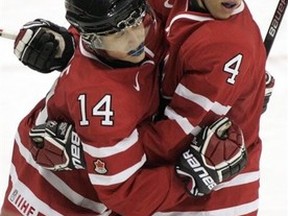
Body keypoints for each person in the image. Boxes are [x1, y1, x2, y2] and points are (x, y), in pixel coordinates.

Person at [0, 0, 247, 216]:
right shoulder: (104, 100)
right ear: (93, 38)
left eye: (135, 20)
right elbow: (128, 195)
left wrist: (236, 80)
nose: (135, 38)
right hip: (60, 200)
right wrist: (191, 176)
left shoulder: (137, 31)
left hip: (69, 167)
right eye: (118, 33)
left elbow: (111, 24)